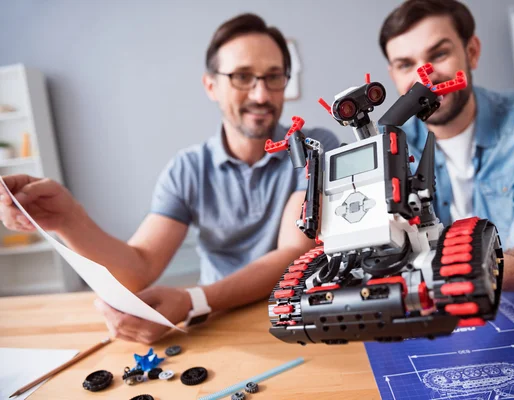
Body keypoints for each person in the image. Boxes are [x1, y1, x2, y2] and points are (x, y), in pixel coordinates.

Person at [0, 13, 339, 343]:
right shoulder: (187, 169)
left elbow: (294, 252)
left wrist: (195, 300)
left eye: (273, 76)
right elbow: (139, 267)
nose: (261, 95)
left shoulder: (314, 147)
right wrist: (68, 219)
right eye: (242, 76)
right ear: (211, 85)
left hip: (295, 316)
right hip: (217, 325)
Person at [378, 0, 514, 291]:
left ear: (471, 53)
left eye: (440, 54)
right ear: (394, 75)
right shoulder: (387, 144)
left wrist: (472, 277)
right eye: (406, 65)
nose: (426, 78)